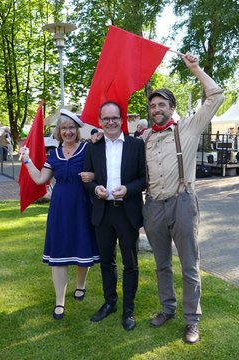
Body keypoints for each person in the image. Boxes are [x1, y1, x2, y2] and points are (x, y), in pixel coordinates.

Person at [141, 53, 224, 344]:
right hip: (152, 206)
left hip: (182, 202)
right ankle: (168, 308)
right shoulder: (146, 137)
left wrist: (196, 69)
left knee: (189, 264)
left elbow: (216, 96)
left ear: (171, 107)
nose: (156, 109)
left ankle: (192, 321)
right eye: (152, 106)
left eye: (161, 104)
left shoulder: (188, 127)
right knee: (161, 264)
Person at [19, 109, 100, 320]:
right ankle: (60, 301)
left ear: (77, 130)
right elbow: (39, 179)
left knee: (82, 249)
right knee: (58, 256)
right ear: (58, 131)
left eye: (71, 127)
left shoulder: (87, 149)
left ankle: (81, 285)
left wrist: (93, 173)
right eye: (64, 128)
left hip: (83, 206)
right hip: (60, 209)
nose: (68, 132)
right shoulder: (52, 155)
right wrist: (27, 160)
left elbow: (100, 171)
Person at [83, 101, 146, 331]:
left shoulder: (136, 145)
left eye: (114, 118)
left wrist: (128, 189)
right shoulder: (93, 146)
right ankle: (110, 302)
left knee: (130, 263)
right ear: (100, 121)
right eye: (106, 118)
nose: (110, 122)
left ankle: (128, 309)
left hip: (127, 212)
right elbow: (88, 178)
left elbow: (144, 178)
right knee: (107, 262)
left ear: (122, 119)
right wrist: (95, 188)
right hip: (103, 212)